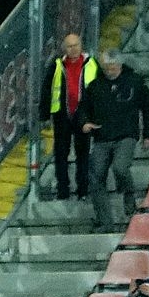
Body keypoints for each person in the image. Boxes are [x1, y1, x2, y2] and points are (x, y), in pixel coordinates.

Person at [79, 53, 149, 231]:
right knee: (96, 178)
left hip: (126, 136)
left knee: (120, 167)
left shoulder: (135, 81)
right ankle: (105, 222)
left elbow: (148, 108)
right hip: (102, 137)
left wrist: (148, 135)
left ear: (120, 65)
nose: (109, 71)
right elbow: (83, 108)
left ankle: (128, 193)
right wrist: (85, 122)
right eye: (106, 68)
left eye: (113, 67)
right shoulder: (95, 86)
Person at [46, 33, 98, 201]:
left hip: (84, 116)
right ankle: (63, 190)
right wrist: (44, 114)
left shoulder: (92, 63)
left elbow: (100, 90)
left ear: (81, 45)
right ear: (64, 49)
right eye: (70, 46)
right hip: (62, 116)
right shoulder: (56, 65)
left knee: (83, 154)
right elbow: (47, 89)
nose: (73, 49)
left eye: (76, 45)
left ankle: (83, 190)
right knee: (61, 154)